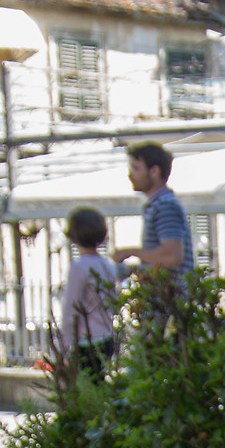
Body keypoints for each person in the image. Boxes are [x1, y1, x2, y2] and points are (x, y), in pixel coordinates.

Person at [113, 143, 192, 274]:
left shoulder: (165, 206)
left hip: (172, 294)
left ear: (154, 171)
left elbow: (172, 257)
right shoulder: (159, 204)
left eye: (136, 169)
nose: (130, 175)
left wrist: (130, 252)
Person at [61, 207, 120, 379]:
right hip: (106, 336)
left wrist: (62, 349)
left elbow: (70, 312)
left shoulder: (78, 267)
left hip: (87, 341)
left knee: (86, 391)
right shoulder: (108, 265)